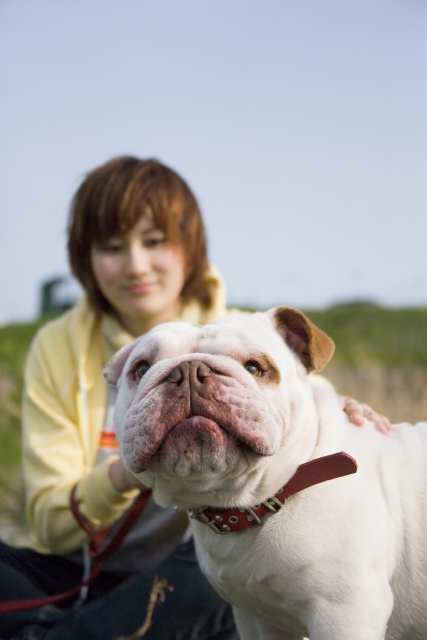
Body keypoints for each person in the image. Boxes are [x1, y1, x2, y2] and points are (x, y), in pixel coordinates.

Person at [0, 156, 391, 640]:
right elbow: (47, 523)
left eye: (154, 241)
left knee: (228, 567)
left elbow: (295, 401)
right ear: (85, 259)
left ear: (191, 249)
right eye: (112, 246)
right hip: (82, 571)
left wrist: (342, 411)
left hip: (186, 568)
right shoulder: (57, 349)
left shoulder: (244, 333)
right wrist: (128, 468)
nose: (135, 265)